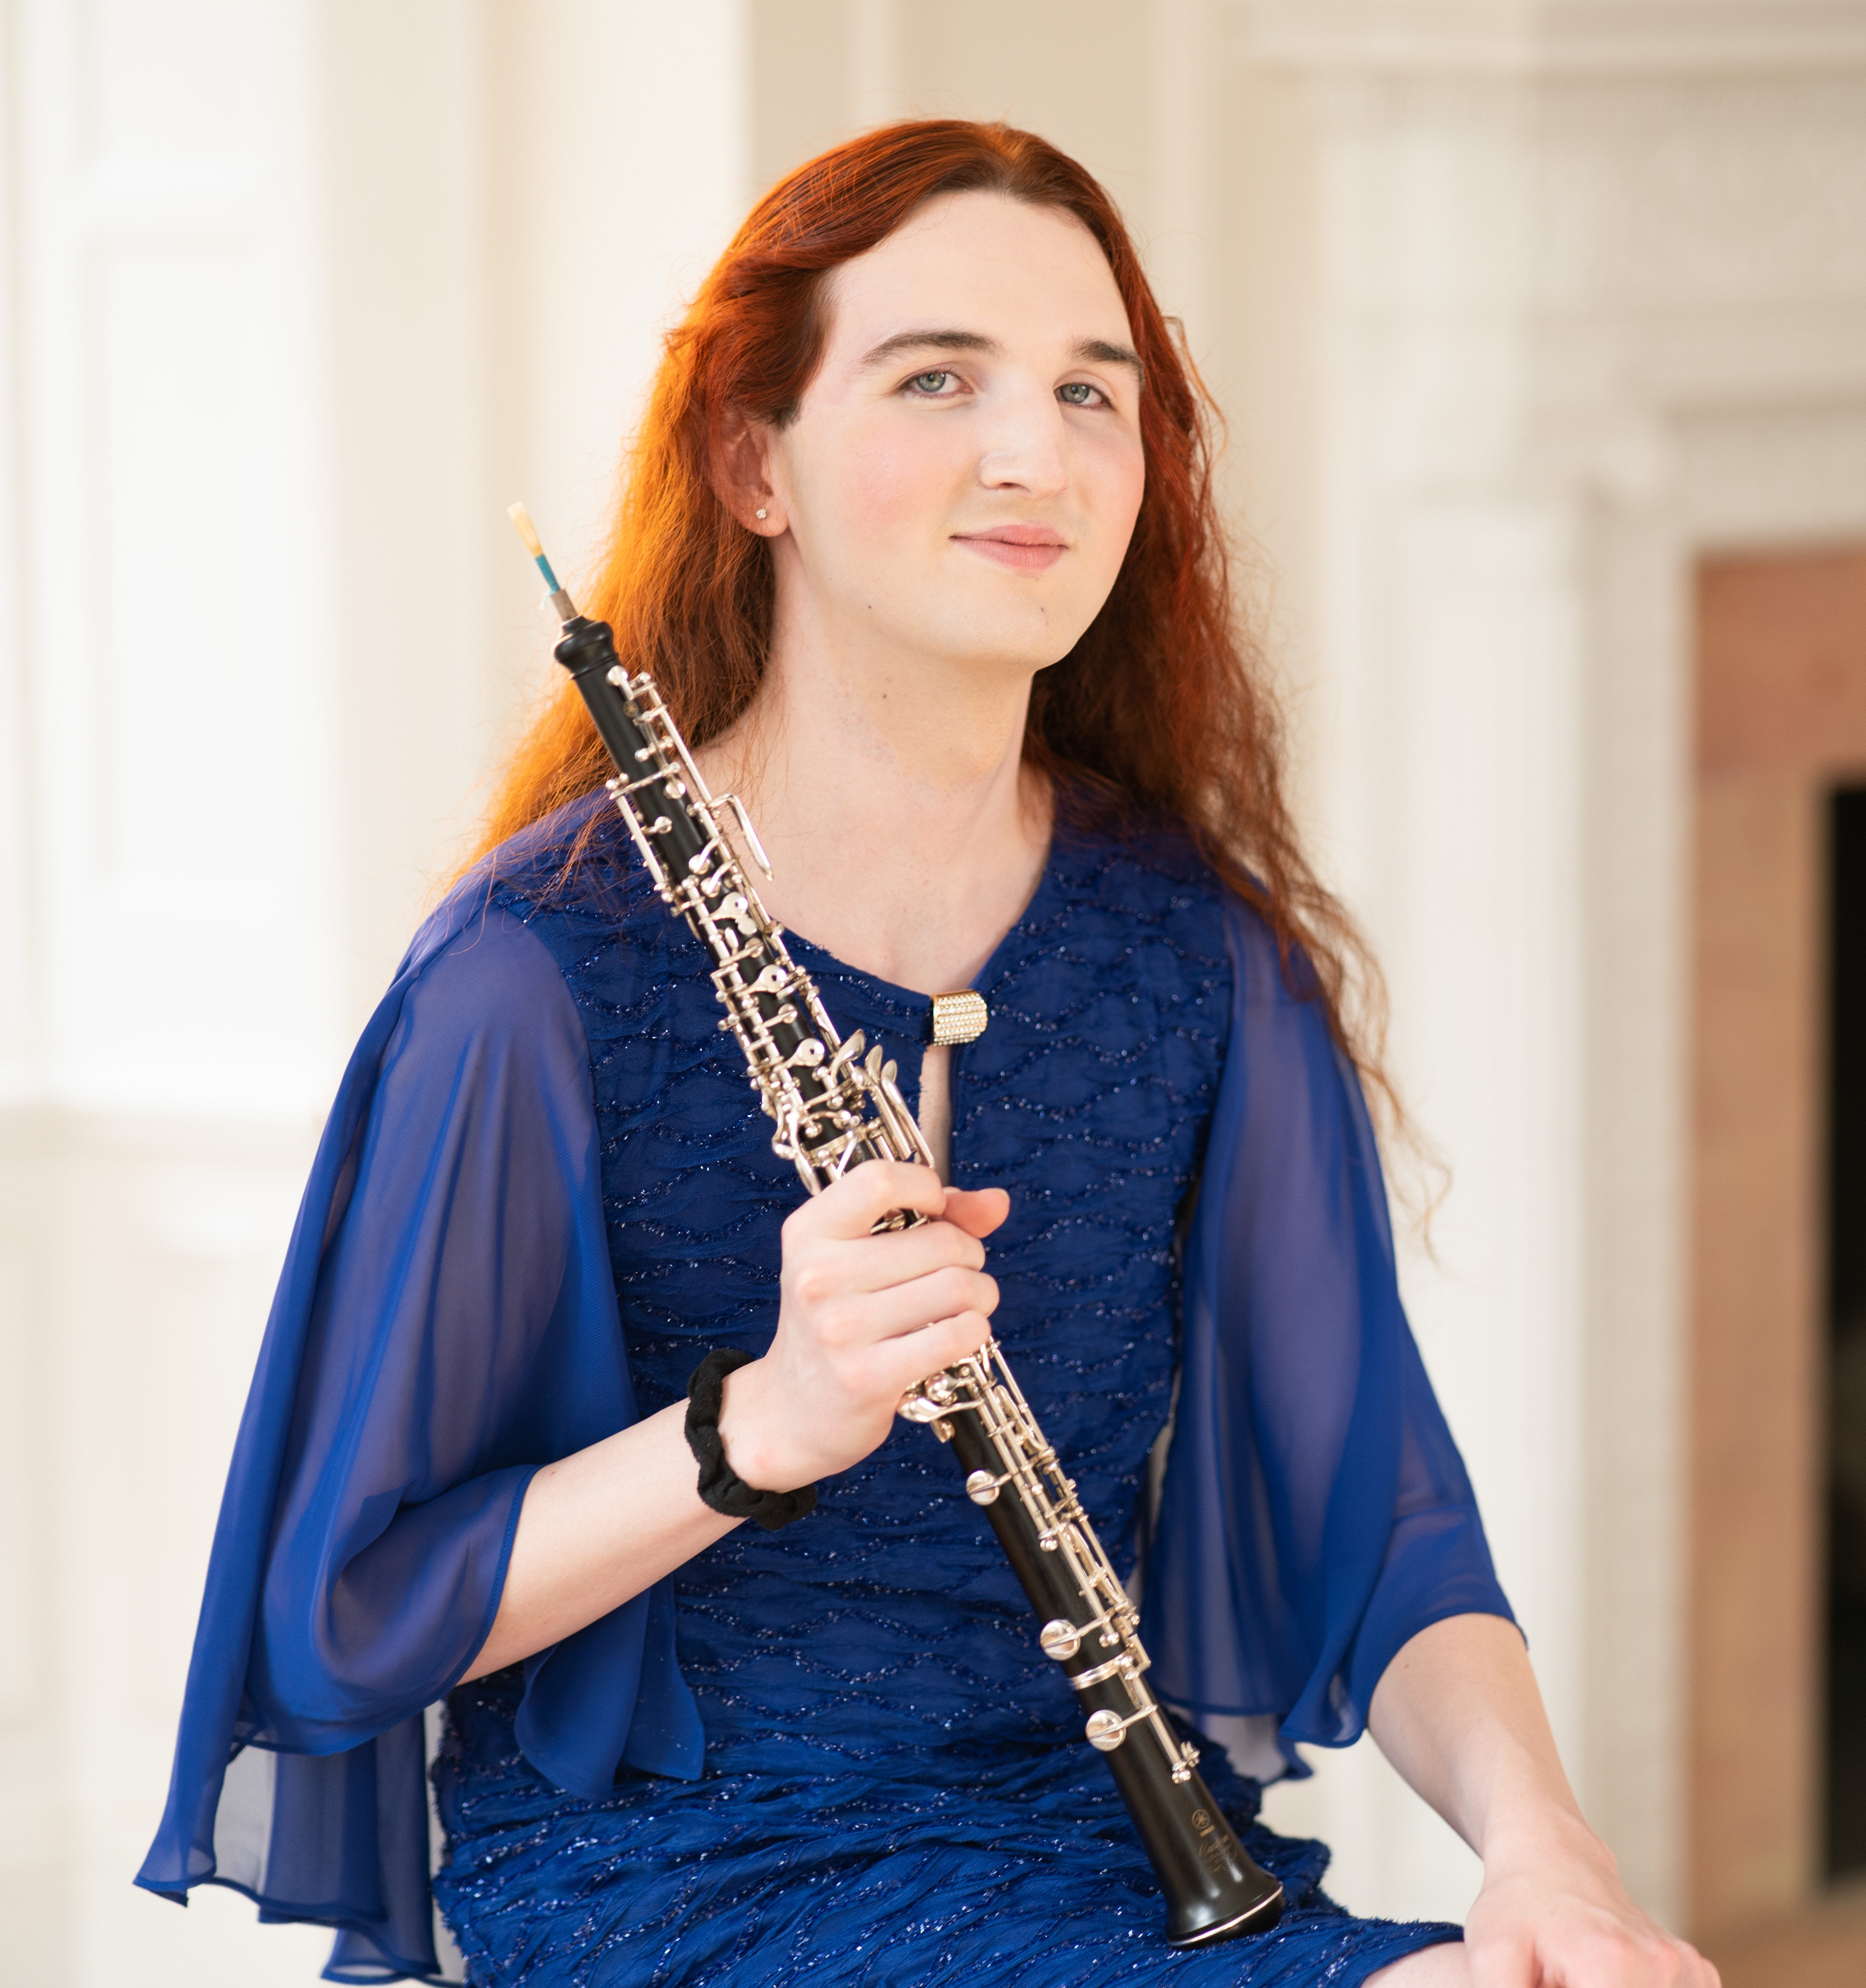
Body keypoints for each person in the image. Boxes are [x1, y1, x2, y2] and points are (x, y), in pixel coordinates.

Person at [138, 121, 1714, 1988]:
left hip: (1124, 1853)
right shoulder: (535, 976)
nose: (1035, 452)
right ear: (754, 462)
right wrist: (761, 1423)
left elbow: (1378, 1520)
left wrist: (1550, 1857)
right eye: (938, 379)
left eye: (1090, 391)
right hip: (686, 1880)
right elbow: (339, 1620)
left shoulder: (1192, 952)